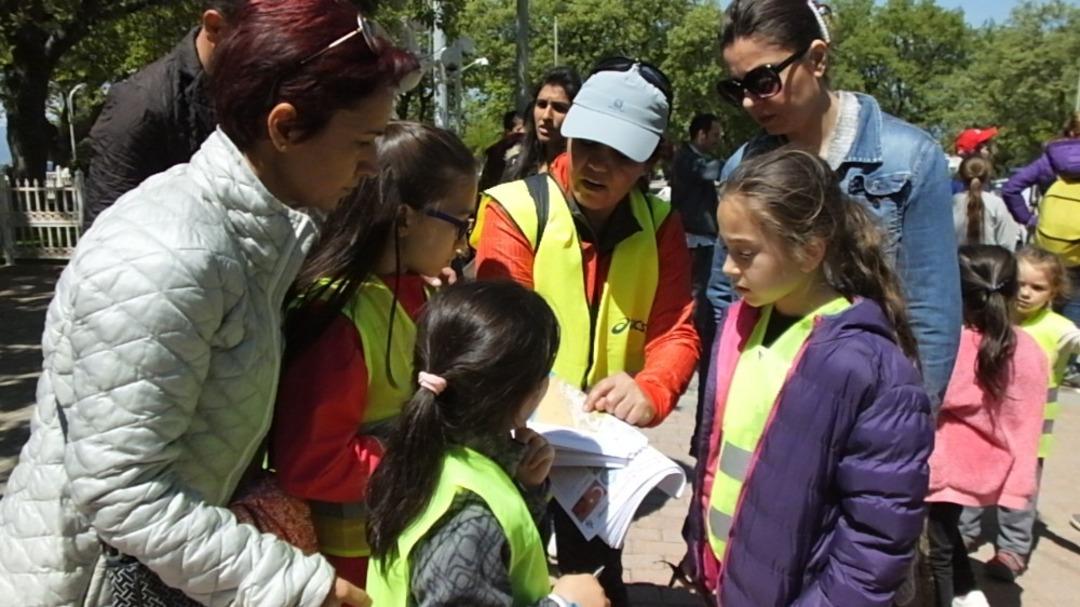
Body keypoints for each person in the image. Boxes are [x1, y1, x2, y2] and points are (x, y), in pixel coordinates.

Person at [0, 2, 419, 605]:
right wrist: (298, 587)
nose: (371, 163)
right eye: (363, 139)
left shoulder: (264, 235)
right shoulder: (170, 257)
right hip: (93, 584)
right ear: (284, 127)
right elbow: (122, 491)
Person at [472, 57, 699, 606]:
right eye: (588, 144)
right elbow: (497, 336)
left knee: (598, 584)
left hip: (600, 458)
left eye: (621, 154)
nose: (598, 164)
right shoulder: (513, 208)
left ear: (648, 159)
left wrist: (651, 388)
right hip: (511, 440)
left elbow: (678, 331)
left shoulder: (659, 223)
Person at [682, 147, 932, 606]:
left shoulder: (870, 368)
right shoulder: (740, 322)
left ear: (810, 250)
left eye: (745, 253)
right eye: (726, 249)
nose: (728, 268)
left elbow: (877, 538)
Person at [704, 0, 961, 413]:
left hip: (872, 409)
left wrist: (911, 422)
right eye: (737, 89)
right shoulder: (742, 167)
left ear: (817, 59)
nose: (750, 102)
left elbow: (931, 312)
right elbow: (725, 296)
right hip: (766, 406)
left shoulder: (910, 159)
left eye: (764, 81)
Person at [270, 122, 477, 587]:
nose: (466, 244)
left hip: (393, 541)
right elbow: (313, 462)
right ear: (405, 218)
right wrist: (426, 457)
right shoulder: (338, 317)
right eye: (460, 222)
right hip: (351, 566)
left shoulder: (410, 291)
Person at [365, 281, 609, 607]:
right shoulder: (468, 514)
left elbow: (503, 559)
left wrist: (524, 487)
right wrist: (568, 604)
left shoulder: (422, 451)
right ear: (526, 394)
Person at [925, 245, 1047, 607]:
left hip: (943, 469)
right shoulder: (1025, 347)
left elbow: (932, 395)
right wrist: (1018, 483)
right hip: (983, 472)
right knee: (947, 537)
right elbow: (1027, 421)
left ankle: (948, 597)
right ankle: (968, 593)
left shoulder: (954, 346)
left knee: (937, 551)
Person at [958, 246, 1080, 580]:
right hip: (985, 423)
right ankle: (963, 533)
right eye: (1021, 284)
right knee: (971, 478)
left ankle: (1012, 548)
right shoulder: (995, 317)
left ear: (1054, 293)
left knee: (1019, 491)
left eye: (1038, 287)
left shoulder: (1061, 330)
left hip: (1031, 433)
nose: (1026, 293)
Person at [83, 1, 239, 227]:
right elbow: (103, 242)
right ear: (215, 27)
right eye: (265, 35)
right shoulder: (138, 108)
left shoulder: (266, 89)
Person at [503, 66, 582, 182]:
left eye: (559, 108)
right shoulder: (516, 166)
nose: (546, 116)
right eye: (541, 104)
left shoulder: (583, 174)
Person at [952, 155, 1018, 249]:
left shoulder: (951, 203)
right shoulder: (996, 204)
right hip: (991, 261)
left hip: (958, 261)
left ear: (960, 176)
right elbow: (1007, 243)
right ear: (987, 176)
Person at [479, 110, 526, 191]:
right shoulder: (518, 147)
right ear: (508, 132)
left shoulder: (493, 152)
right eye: (519, 129)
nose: (525, 132)